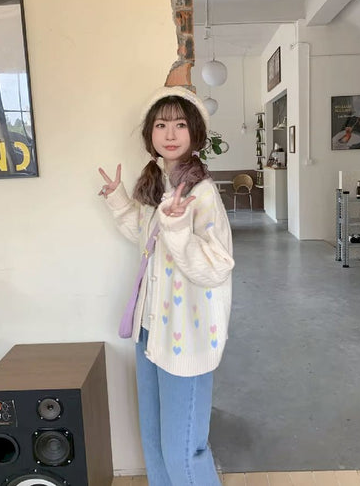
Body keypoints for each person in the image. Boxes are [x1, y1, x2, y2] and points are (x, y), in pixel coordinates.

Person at [98, 86, 234, 486]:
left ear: (195, 133)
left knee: (184, 452)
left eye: (179, 124)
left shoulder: (201, 192)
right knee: (155, 444)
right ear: (150, 133)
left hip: (186, 335)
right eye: (161, 125)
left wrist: (178, 230)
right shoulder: (158, 184)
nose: (170, 134)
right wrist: (118, 200)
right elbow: (146, 238)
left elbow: (217, 267)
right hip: (150, 329)